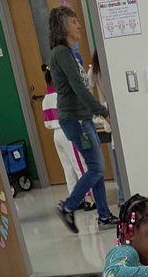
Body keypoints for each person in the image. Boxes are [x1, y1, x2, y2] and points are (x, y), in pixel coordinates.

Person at [48, 5, 117, 233]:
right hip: (76, 120)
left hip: (81, 119)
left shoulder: (69, 53)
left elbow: (81, 84)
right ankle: (68, 206)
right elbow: (79, 88)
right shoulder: (61, 53)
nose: (78, 25)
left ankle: (104, 216)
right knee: (97, 169)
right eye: (74, 21)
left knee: (95, 168)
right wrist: (101, 110)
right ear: (64, 25)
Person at [41, 65, 95, 211]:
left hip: (56, 135)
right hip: (68, 132)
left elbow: (47, 123)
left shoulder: (46, 98)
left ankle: (74, 199)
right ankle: (88, 198)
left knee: (68, 168)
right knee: (80, 165)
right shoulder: (63, 95)